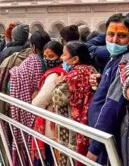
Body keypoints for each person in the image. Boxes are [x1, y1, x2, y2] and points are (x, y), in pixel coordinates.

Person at [86, 13, 129, 164]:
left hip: (108, 138)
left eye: (121, 35)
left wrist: (94, 148)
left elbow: (112, 106)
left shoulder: (128, 61)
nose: (114, 40)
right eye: (110, 35)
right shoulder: (117, 56)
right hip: (103, 136)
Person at [9, 30, 51, 165]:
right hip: (44, 112)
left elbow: (15, 79)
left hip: (29, 110)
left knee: (30, 143)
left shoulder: (31, 61)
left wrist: (13, 73)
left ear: (33, 47)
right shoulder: (50, 60)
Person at [52, 40, 96, 165]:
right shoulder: (91, 70)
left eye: (64, 55)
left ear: (75, 59)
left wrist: (57, 84)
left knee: (70, 156)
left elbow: (58, 99)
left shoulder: (72, 75)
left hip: (71, 126)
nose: (61, 58)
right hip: (88, 121)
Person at [31, 40, 66, 166]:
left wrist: (35, 96)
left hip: (50, 130)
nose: (47, 60)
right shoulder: (62, 71)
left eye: (51, 56)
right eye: (45, 57)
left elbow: (37, 103)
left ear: (61, 56)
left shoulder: (53, 75)